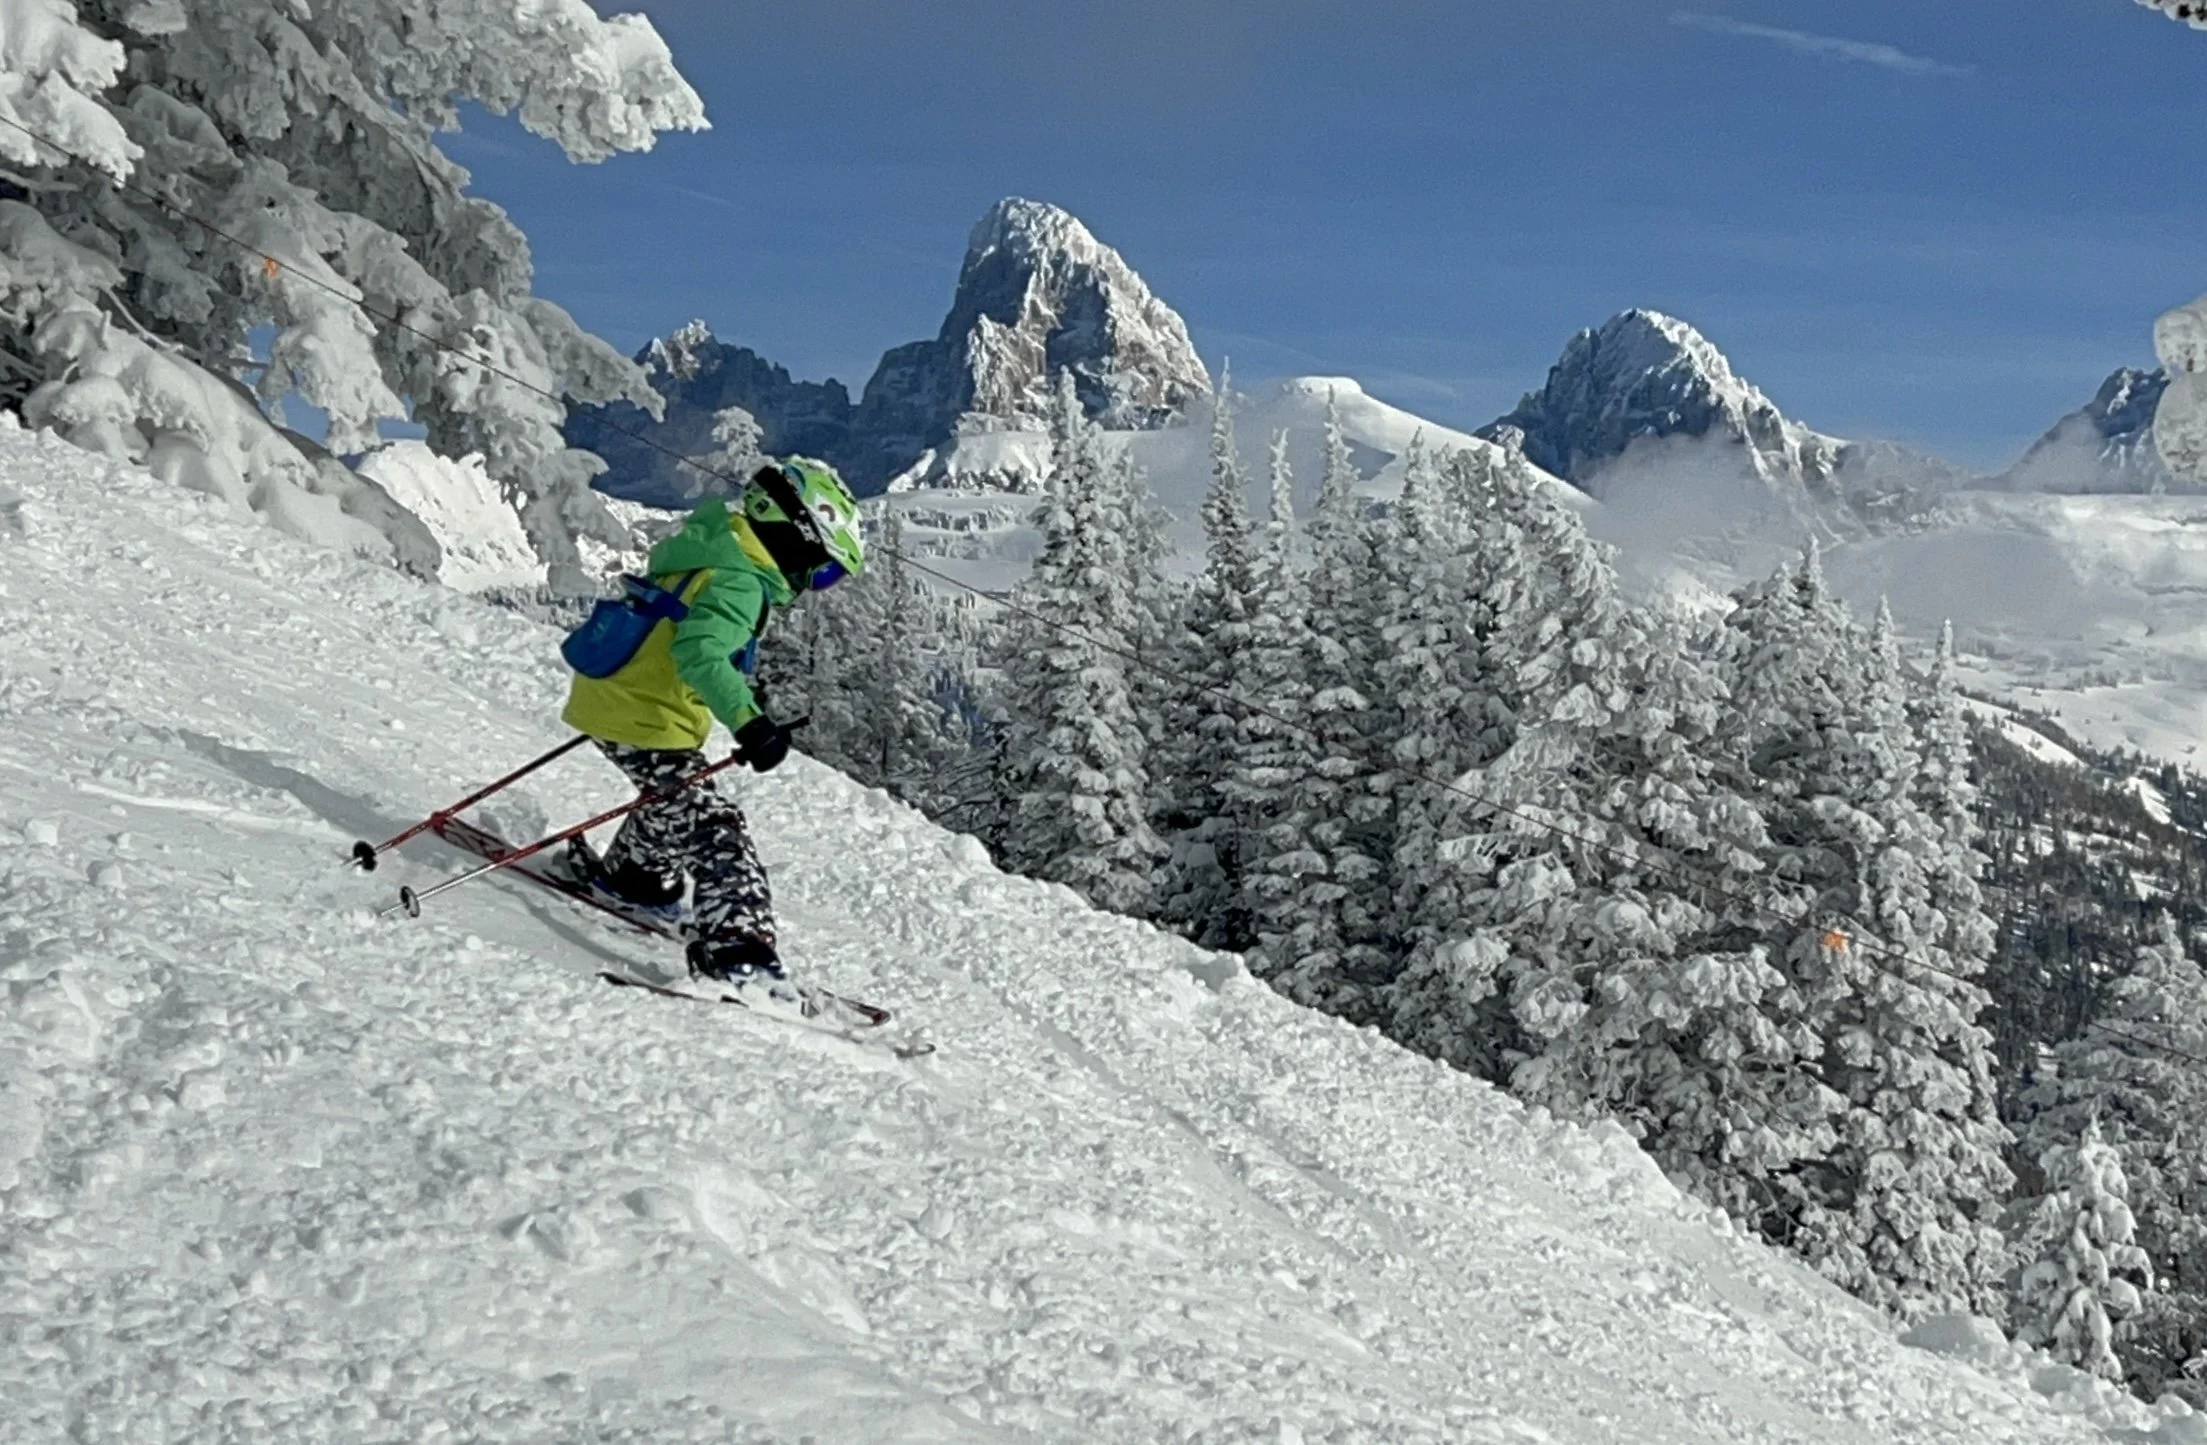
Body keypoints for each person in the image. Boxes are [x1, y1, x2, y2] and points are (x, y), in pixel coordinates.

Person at [559, 457, 865, 985]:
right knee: (715, 829)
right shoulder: (741, 581)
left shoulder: (717, 550)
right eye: (826, 569)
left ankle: (637, 880)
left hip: (616, 697)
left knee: (675, 799)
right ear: (798, 536)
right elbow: (701, 654)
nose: (817, 582)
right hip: (645, 716)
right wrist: (751, 723)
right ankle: (737, 952)